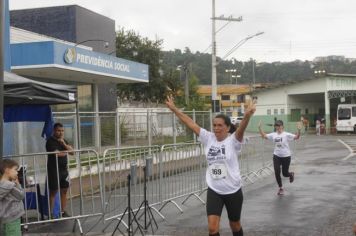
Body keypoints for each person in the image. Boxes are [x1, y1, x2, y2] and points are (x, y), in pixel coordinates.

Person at [165, 95, 256, 236]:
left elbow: (241, 129)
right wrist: (174, 109)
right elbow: (190, 123)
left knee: (235, 225)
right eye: (214, 125)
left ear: (227, 128)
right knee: (213, 228)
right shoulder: (208, 138)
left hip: (233, 190)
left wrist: (247, 116)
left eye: (220, 125)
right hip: (215, 190)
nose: (216, 128)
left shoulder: (233, 141)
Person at [258, 120, 301, 195]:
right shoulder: (273, 135)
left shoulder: (286, 134)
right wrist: (259, 128)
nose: (278, 127)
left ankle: (291, 174)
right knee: (277, 171)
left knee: (285, 173)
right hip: (276, 155)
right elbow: (264, 136)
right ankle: (280, 188)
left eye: (279, 126)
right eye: (276, 126)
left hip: (286, 156)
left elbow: (297, 137)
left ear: (282, 126)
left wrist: (299, 130)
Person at [46, 123, 73, 218]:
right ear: (54, 131)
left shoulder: (63, 140)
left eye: (62, 131)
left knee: (64, 191)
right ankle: (51, 214)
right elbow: (58, 154)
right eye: (58, 131)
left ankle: (62, 211)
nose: (61, 132)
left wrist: (64, 144)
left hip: (64, 170)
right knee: (53, 192)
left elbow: (72, 152)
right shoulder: (50, 141)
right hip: (54, 170)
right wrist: (66, 151)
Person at [0, 159, 25, 236]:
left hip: (4, 219)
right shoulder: (10, 185)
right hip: (12, 218)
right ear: (7, 170)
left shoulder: (2, 184)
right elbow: (21, 196)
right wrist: (17, 184)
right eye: (15, 170)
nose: (17, 172)